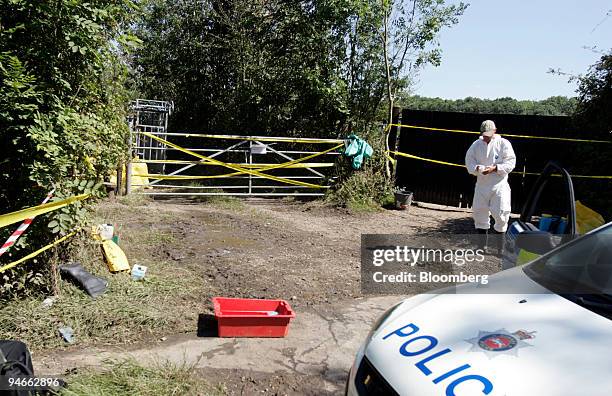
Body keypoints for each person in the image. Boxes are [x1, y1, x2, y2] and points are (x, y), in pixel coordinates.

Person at [465, 120, 516, 251]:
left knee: (501, 214)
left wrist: (495, 168)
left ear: (495, 130)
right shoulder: (476, 145)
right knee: (479, 212)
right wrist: (477, 167)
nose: (486, 136)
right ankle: (482, 247)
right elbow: (469, 161)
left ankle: (500, 248)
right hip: (481, 185)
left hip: (499, 186)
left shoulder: (503, 143)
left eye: (489, 133)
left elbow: (510, 163)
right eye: (484, 134)